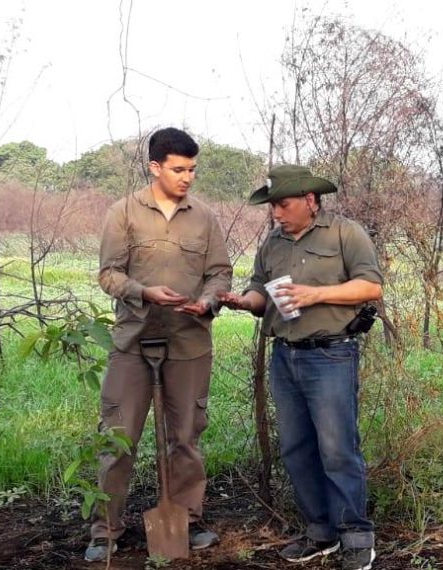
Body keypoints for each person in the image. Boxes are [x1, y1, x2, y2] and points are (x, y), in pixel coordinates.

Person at [218, 164, 383, 570]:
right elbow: (260, 291)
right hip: (285, 357)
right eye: (273, 205)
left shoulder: (345, 232)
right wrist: (245, 301)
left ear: (310, 200)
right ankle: (320, 532)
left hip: (330, 355)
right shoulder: (273, 243)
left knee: (338, 448)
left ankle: (356, 536)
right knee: (296, 448)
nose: (276, 213)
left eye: (284, 204)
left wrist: (315, 295)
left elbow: (371, 286)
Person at [86, 127, 232, 562]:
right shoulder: (124, 212)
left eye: (192, 170)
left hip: (189, 342)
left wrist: (208, 300)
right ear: (155, 167)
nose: (187, 177)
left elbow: (220, 273)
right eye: (178, 169)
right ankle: (104, 530)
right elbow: (108, 274)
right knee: (118, 437)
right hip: (133, 341)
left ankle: (186, 520)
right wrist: (145, 292)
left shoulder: (205, 217)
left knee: (186, 437)